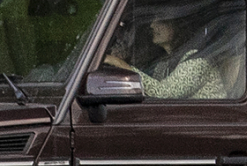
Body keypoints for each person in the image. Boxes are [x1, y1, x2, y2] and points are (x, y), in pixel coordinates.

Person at [101, 6, 236, 100]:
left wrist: (118, 62)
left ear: (177, 25)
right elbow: (149, 91)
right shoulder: (164, 63)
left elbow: (162, 94)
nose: (152, 25)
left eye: (161, 20)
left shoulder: (197, 61)